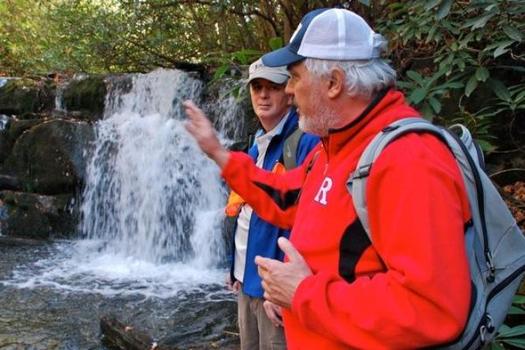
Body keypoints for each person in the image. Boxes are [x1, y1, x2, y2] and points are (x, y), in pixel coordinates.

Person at [184, 8, 471, 349]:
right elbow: (286, 197)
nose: (288, 90)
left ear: (333, 83)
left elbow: (432, 309)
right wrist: (219, 153)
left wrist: (303, 294)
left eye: (294, 76)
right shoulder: (335, 147)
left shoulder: (408, 160)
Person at [223, 58, 319, 350]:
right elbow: (246, 213)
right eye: (257, 87)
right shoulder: (258, 143)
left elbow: (309, 220)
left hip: (275, 291)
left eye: (272, 87)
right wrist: (236, 270)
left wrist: (283, 289)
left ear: (288, 92)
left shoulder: (305, 142)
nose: (263, 95)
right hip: (248, 282)